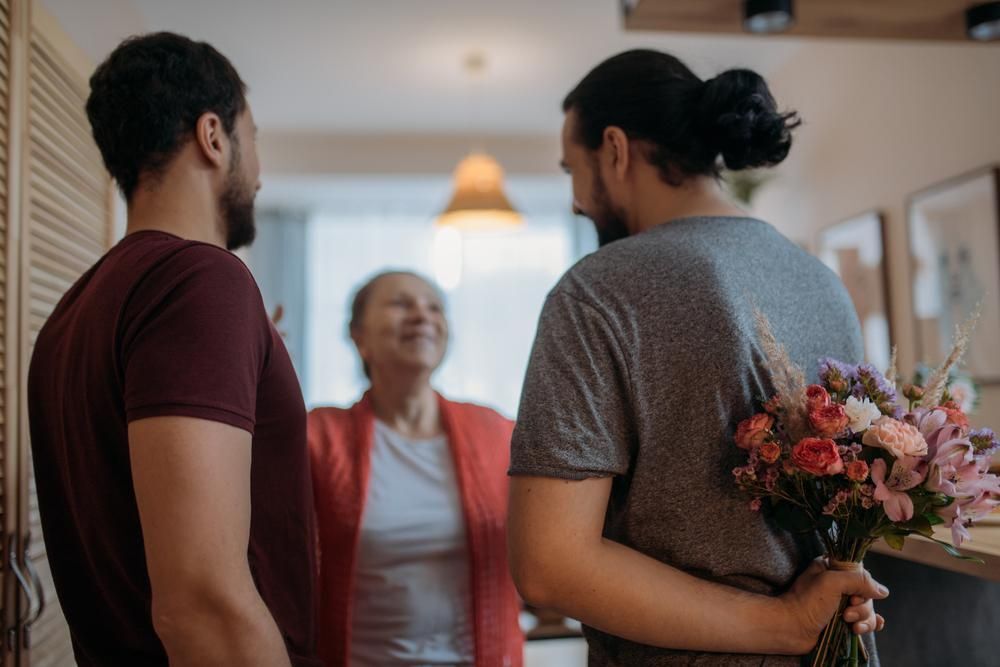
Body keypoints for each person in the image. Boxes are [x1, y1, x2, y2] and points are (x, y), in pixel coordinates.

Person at [506, 49, 887, 665]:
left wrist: (781, 624)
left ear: (615, 149)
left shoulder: (599, 289)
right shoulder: (820, 280)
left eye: (572, 169)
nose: (577, 199)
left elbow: (551, 565)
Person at [27, 33, 319, 667]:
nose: (260, 173)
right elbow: (202, 602)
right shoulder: (200, 280)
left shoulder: (72, 313)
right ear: (214, 136)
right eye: (254, 138)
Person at [308, 271, 523, 667]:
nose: (422, 315)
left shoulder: (497, 432)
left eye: (434, 307)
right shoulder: (318, 436)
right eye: (400, 303)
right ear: (359, 335)